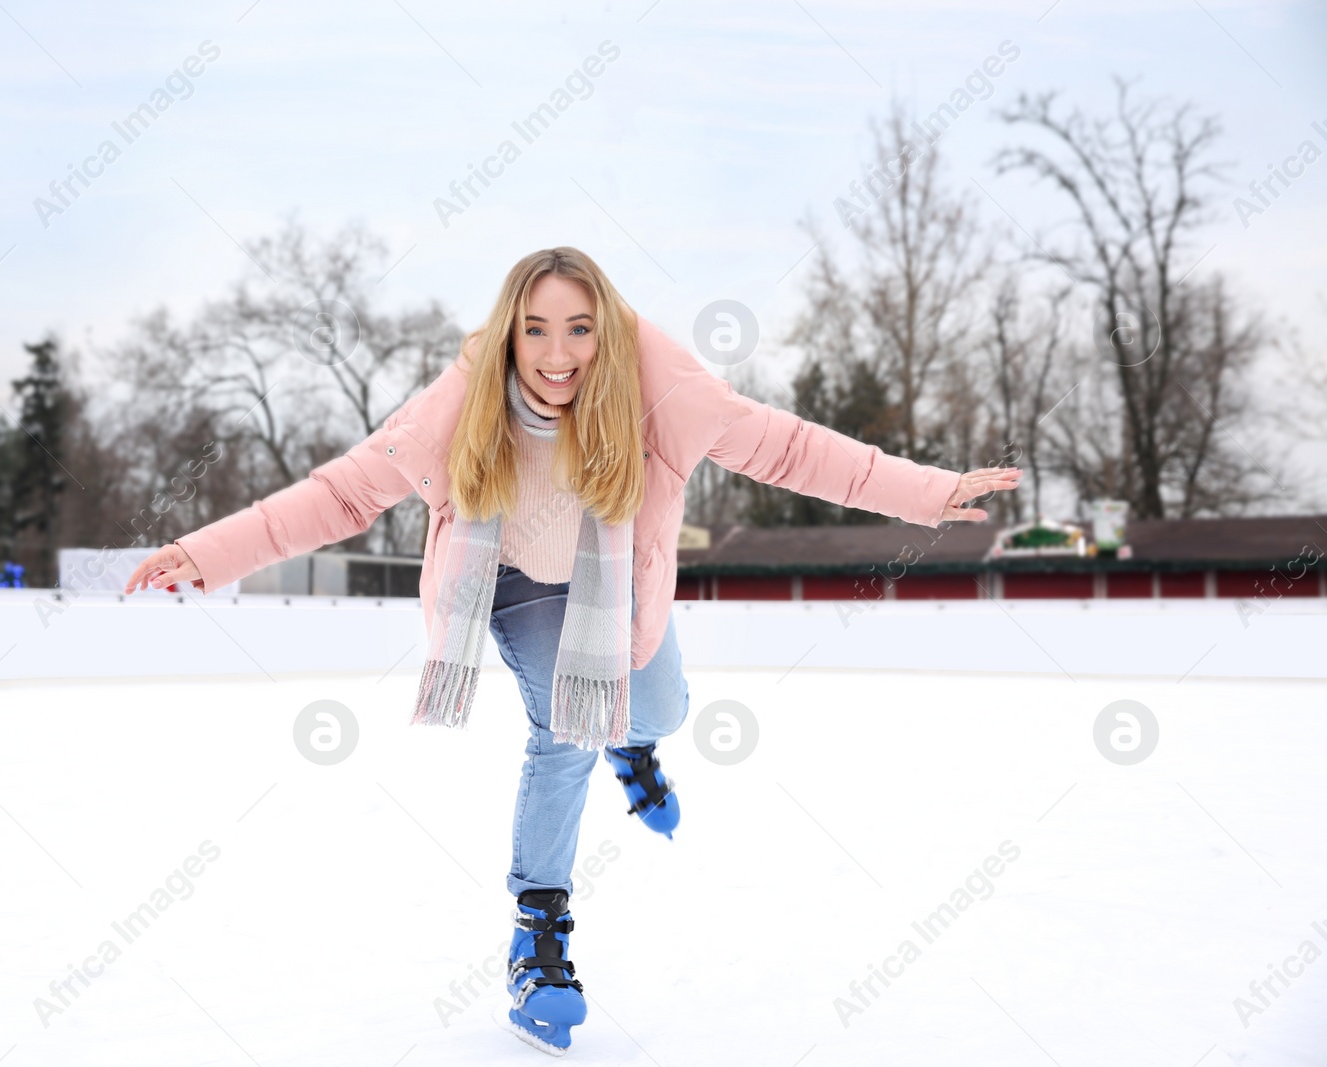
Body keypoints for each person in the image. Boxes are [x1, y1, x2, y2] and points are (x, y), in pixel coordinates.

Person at [125, 247, 1021, 1055]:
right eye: (538, 329)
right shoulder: (456, 405)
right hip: (513, 585)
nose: (558, 354)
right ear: (510, 330)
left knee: (662, 708)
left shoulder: (666, 389)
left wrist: (929, 492)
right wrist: (204, 555)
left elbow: (790, 448)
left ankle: (633, 738)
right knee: (562, 727)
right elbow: (339, 496)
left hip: (616, 590)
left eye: (581, 330)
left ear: (611, 331)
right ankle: (538, 936)